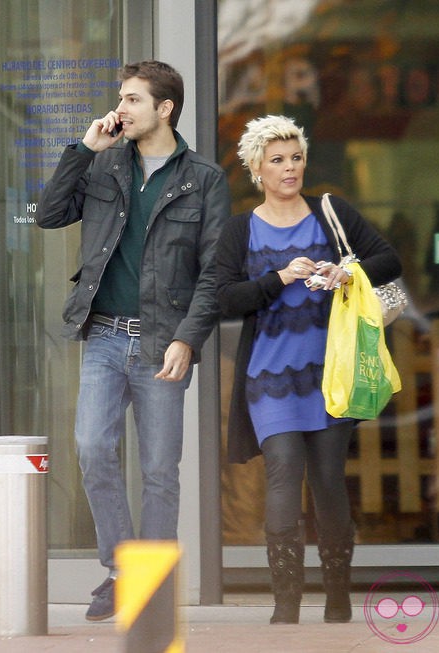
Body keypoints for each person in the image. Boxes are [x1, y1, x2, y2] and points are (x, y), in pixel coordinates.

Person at [37, 60, 231, 621]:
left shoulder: (204, 179)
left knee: (159, 470)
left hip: (162, 342)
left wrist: (188, 340)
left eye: (132, 100)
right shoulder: (105, 166)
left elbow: (213, 273)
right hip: (102, 334)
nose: (119, 109)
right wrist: (83, 150)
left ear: (165, 108)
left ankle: (151, 582)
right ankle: (123, 568)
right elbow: (50, 215)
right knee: (93, 449)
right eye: (120, 99)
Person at [214, 115, 400, 624]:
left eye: (295, 157)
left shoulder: (330, 213)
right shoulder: (240, 229)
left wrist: (347, 271)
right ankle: (286, 604)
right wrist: (276, 278)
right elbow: (225, 297)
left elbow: (389, 261)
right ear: (256, 169)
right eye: (277, 160)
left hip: (329, 374)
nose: (289, 168)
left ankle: (338, 596)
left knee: (327, 480)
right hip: (269, 378)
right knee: (282, 475)